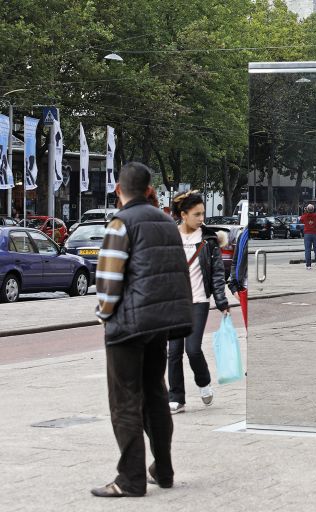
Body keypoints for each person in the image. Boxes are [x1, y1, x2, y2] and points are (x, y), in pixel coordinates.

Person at [91, 162, 193, 498]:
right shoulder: (167, 223)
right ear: (150, 190)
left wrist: (105, 315)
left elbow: (108, 280)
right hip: (158, 324)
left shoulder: (120, 224)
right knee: (155, 394)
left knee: (125, 401)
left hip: (127, 325)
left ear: (119, 190)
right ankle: (163, 469)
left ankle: (130, 479)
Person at [167, 191, 230, 414]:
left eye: (203, 213)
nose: (202, 218)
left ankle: (203, 383)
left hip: (199, 301)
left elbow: (217, 274)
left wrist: (222, 302)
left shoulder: (209, 240)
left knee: (192, 349)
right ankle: (176, 398)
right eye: (197, 214)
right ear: (183, 215)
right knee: (173, 352)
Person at [300, 204, 316, 270]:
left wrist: (305, 212)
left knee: (307, 250)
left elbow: (301, 219)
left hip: (307, 234)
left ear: (307, 209)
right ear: (313, 209)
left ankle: (308, 265)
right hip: (315, 234)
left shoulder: (305, 216)